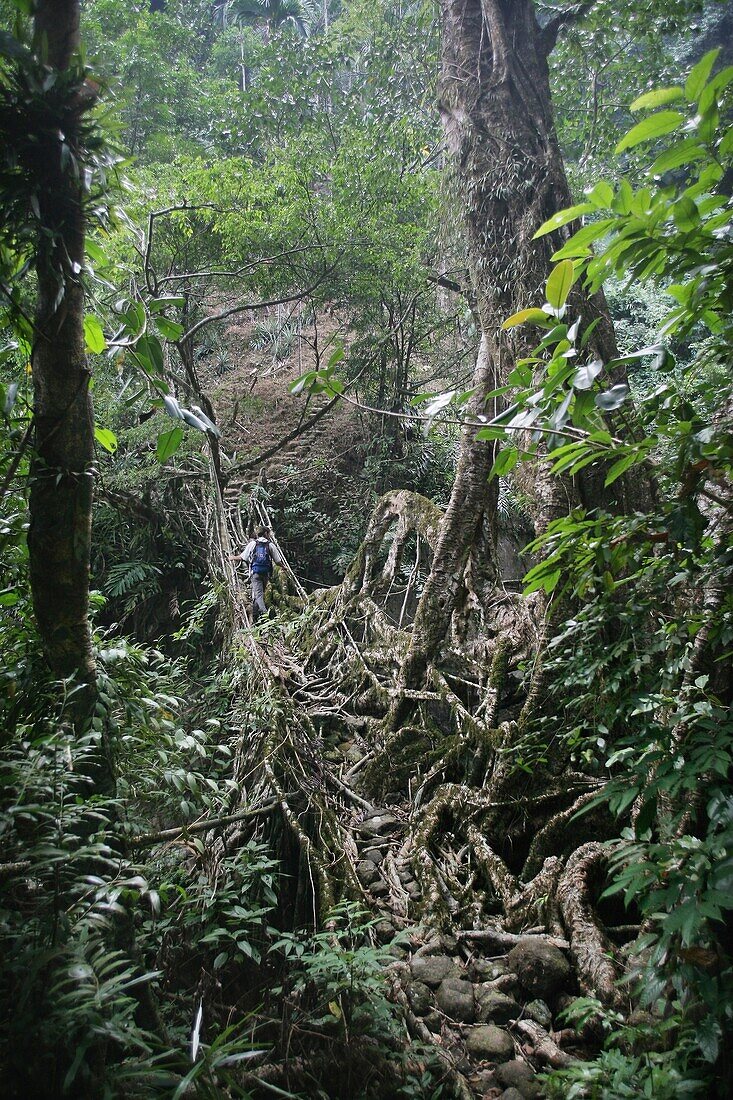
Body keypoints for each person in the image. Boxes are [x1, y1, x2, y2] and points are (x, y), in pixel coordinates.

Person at [231, 527, 282, 623]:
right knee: (259, 594)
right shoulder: (270, 545)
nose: (270, 535)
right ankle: (259, 616)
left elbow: (243, 557)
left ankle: (262, 615)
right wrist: (284, 567)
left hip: (255, 573)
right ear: (266, 534)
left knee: (258, 595)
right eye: (269, 533)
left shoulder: (253, 544)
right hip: (265, 573)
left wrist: (233, 557)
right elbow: (277, 561)